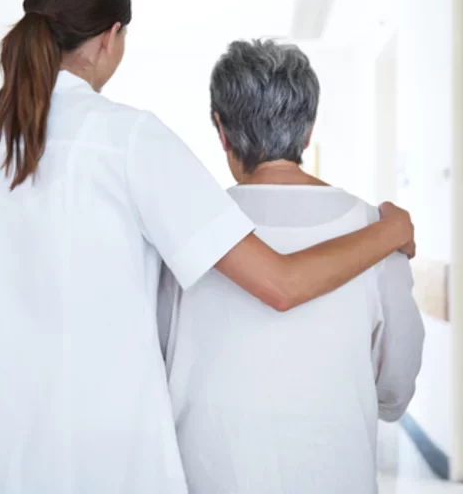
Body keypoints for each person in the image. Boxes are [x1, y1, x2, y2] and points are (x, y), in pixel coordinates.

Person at [0, 0, 415, 494]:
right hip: (108, 462)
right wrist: (390, 230)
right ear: (109, 37)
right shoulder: (127, 139)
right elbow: (280, 284)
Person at [159, 39, 425, 494]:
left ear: (221, 129)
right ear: (309, 130)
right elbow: (396, 383)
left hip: (209, 475)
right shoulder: (376, 232)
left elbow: (158, 360)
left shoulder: (185, 234)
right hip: (338, 474)